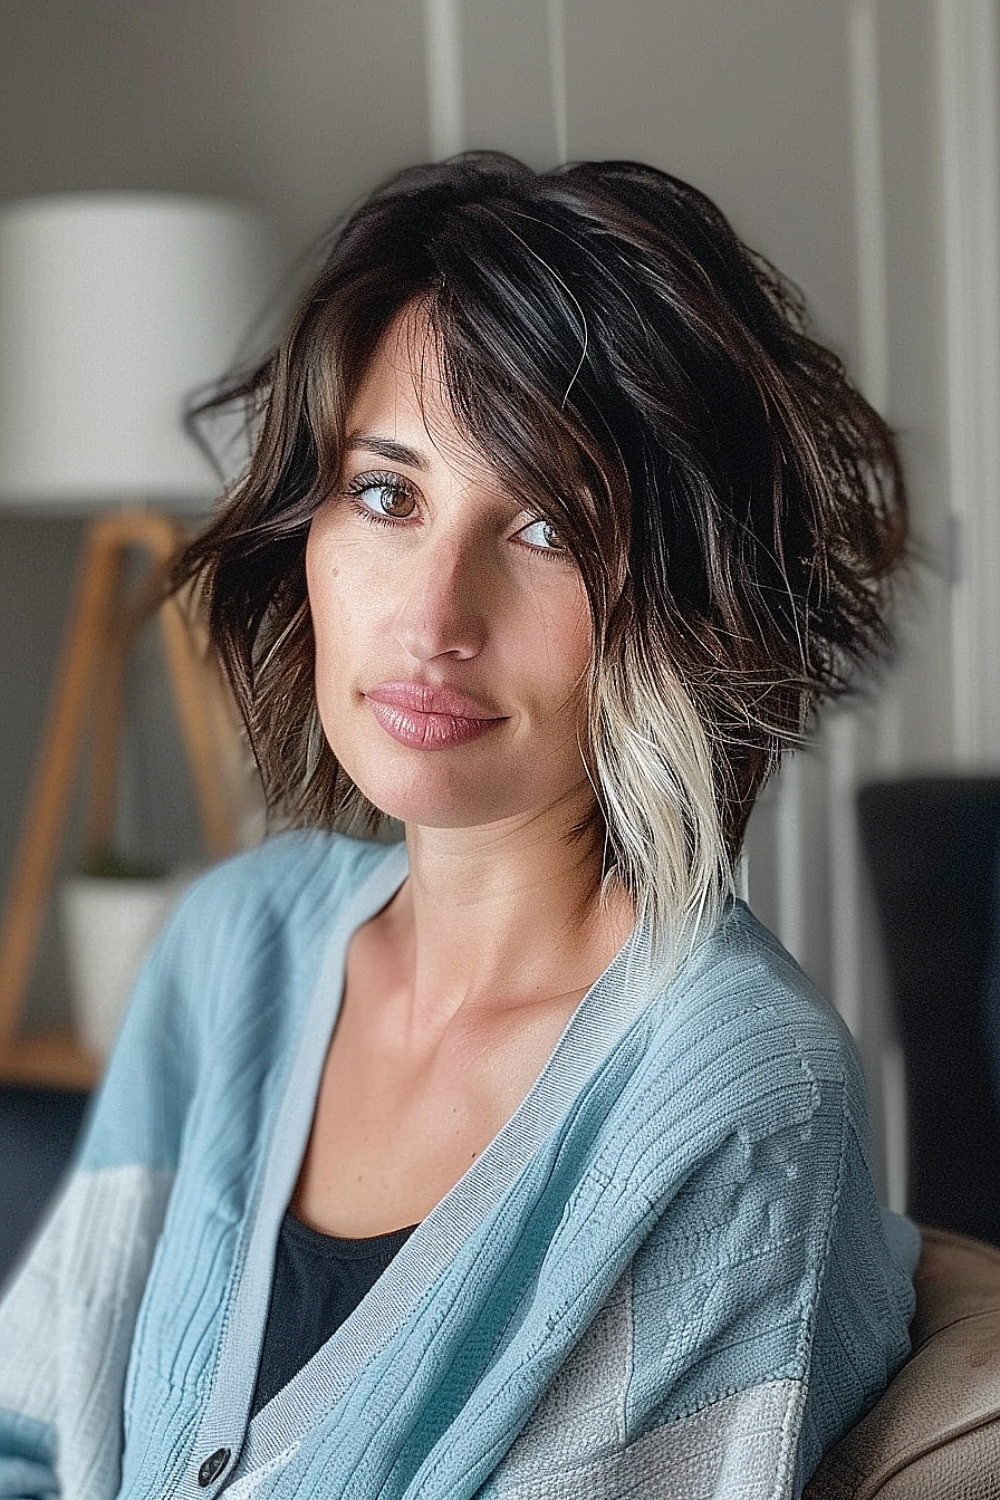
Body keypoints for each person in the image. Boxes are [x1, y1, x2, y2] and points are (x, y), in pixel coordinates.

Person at [0, 153, 919, 1500]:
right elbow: (31, 1430)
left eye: (548, 526)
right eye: (387, 494)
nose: (434, 620)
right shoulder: (231, 944)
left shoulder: (734, 1099)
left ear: (682, 601)